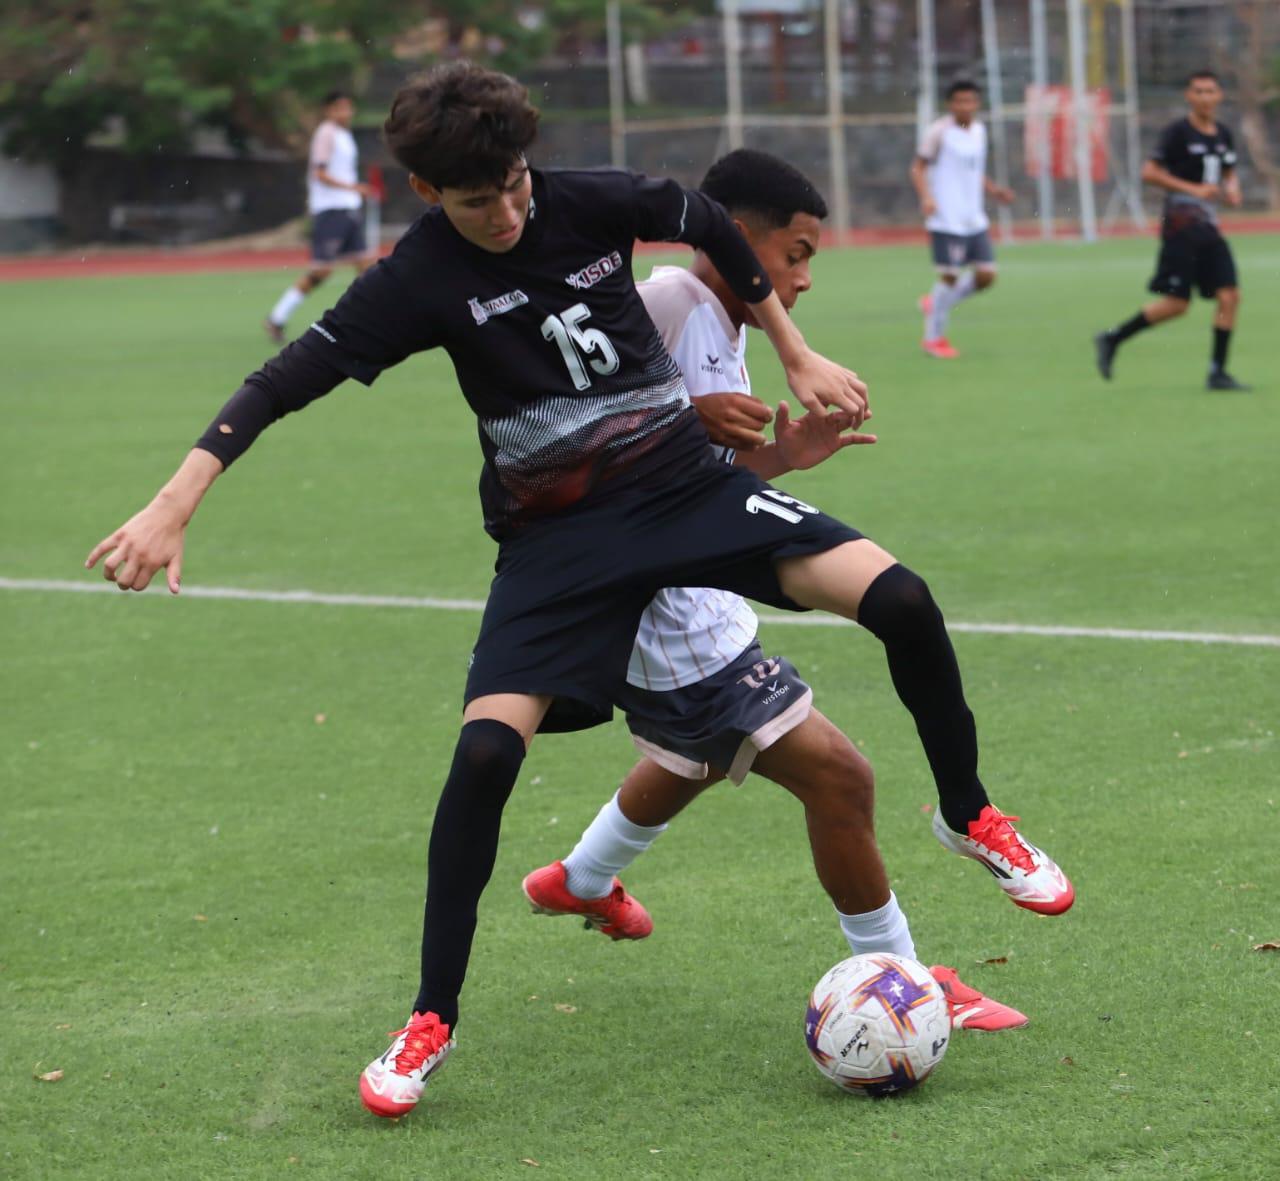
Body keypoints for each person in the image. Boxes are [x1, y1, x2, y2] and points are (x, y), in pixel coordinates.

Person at [84, 64, 1049, 1123]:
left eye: (511, 186)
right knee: (487, 751)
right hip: (557, 543)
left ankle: (968, 814)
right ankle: (431, 1017)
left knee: (899, 597)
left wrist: (795, 349)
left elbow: (702, 220)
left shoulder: (586, 198)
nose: (503, 213)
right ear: (422, 191)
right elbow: (281, 381)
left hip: (683, 491)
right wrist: (175, 501)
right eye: (473, 201)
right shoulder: (415, 279)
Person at [522, 149, 1063, 1031]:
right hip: (665, 610)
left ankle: (578, 878)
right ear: (736, 239)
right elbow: (571, 438)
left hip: (689, 593)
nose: (803, 280)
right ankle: (903, 979)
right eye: (797, 253)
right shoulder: (668, 303)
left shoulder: (717, 321)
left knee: (697, 751)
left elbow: (689, 477)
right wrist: (687, 423)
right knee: (842, 779)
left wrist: (780, 458)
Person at [1094, 70, 1249, 391]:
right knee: (1177, 304)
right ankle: (1113, 338)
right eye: (1199, 92)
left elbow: (1229, 171)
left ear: (1220, 96)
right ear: (1188, 96)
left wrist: (1232, 189)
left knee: (1229, 295)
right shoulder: (1177, 133)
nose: (1205, 98)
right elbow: (1149, 172)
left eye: (1211, 92)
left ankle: (1217, 372)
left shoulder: (1223, 134)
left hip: (1209, 226)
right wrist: (1193, 189)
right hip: (1181, 226)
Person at [910, 80, 1014, 360]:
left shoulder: (979, 131)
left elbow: (971, 170)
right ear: (950, 104)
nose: (965, 106)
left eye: (970, 101)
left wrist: (994, 191)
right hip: (946, 218)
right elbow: (918, 168)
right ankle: (933, 339)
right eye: (959, 101)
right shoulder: (939, 132)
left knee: (986, 276)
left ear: (977, 103)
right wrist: (927, 198)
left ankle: (937, 302)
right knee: (950, 276)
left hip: (973, 218)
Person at [264, 89, 377, 344]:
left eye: (348, 107)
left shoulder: (344, 135)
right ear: (329, 110)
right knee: (322, 271)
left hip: (348, 208)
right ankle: (277, 317)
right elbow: (320, 174)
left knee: (365, 266)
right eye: (340, 108)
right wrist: (355, 188)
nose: (345, 112)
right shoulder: (326, 133)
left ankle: (368, 320)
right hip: (331, 209)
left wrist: (355, 192)